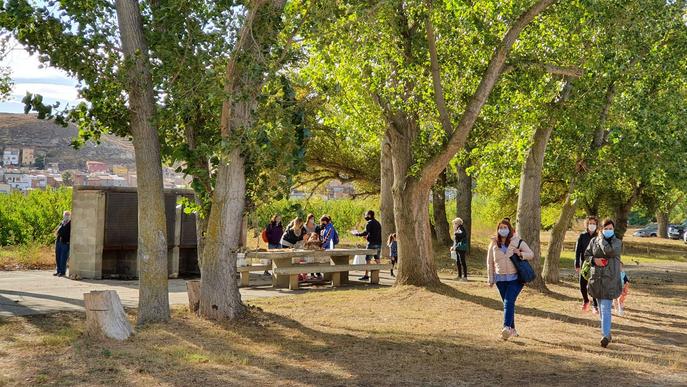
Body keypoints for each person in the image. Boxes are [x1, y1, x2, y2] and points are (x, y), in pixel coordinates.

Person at [486, 219, 534, 340]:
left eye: (505, 227)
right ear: (498, 229)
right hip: (500, 280)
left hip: (516, 279)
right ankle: (512, 329)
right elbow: (489, 263)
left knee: (508, 302)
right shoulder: (493, 243)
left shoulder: (517, 241)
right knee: (508, 304)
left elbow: (531, 254)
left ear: (510, 229)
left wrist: (520, 253)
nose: (503, 230)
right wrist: (491, 279)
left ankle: (506, 328)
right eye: (501, 227)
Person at [584, 218, 623, 348]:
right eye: (605, 228)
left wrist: (601, 240)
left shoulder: (617, 242)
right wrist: (594, 260)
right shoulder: (593, 241)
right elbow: (587, 255)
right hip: (596, 279)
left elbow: (609, 252)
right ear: (601, 229)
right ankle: (607, 333)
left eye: (610, 228)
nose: (608, 231)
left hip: (610, 279)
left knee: (606, 308)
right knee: (601, 308)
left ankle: (605, 335)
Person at [575, 216, 599, 313]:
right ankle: (586, 301)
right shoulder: (582, 236)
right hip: (584, 264)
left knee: (594, 285)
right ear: (587, 224)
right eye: (590, 223)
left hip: (595, 264)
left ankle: (595, 305)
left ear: (596, 225)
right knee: (582, 285)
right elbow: (577, 251)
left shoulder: (599, 236)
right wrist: (577, 264)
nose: (592, 225)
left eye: (594, 223)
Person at [351, 210, 382, 281]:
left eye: (366, 215)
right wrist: (367, 237)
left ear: (370, 215)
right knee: (377, 260)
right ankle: (377, 275)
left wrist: (357, 234)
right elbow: (374, 234)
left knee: (368, 260)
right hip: (379, 243)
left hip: (371, 244)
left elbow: (365, 232)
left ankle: (366, 275)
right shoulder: (378, 223)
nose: (365, 216)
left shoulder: (369, 223)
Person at [54, 211, 71, 277]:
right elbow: (57, 230)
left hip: (65, 242)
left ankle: (62, 272)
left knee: (63, 257)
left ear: (70, 216)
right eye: (65, 215)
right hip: (58, 241)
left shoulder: (70, 223)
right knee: (57, 256)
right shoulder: (62, 222)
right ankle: (58, 271)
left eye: (67, 215)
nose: (66, 216)